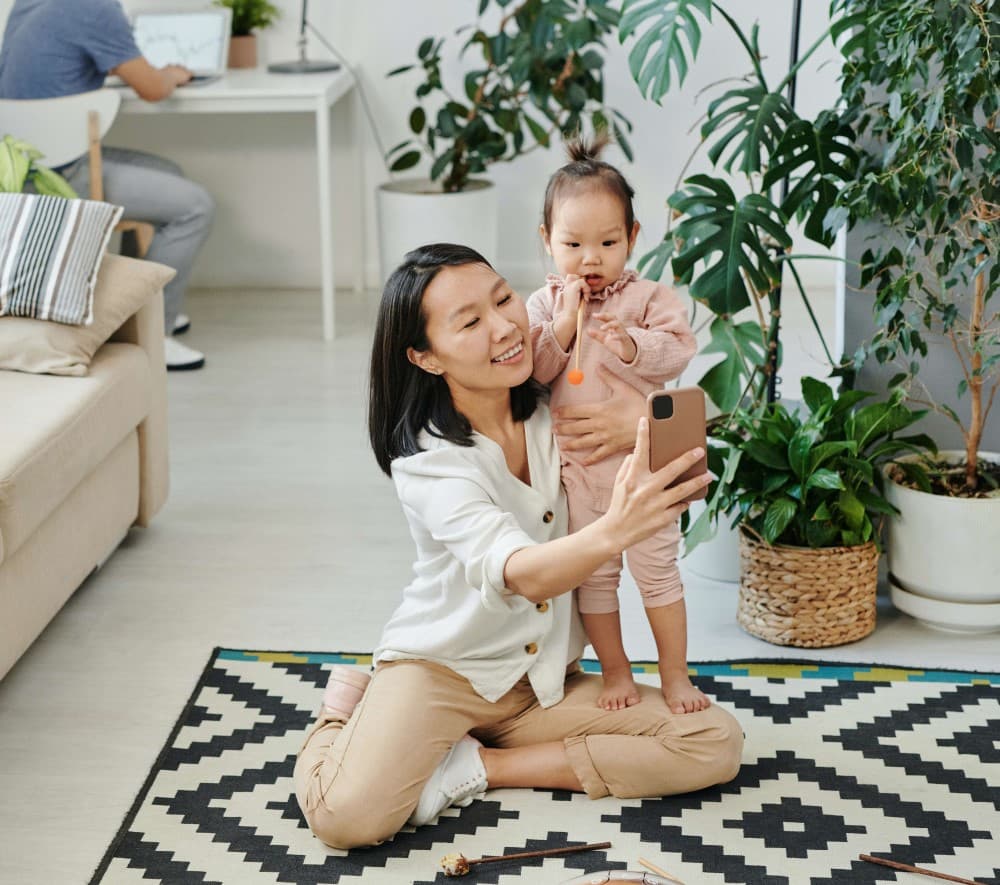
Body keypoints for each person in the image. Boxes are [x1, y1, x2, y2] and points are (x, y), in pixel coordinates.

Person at [293, 243, 743, 850]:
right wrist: (615, 529)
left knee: (712, 743)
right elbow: (521, 573)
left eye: (504, 298)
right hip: (441, 673)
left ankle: (478, 766)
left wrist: (638, 417)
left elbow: (674, 448)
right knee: (344, 819)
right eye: (471, 322)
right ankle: (345, 711)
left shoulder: (557, 409)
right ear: (425, 357)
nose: (506, 327)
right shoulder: (429, 461)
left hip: (541, 685)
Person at [527, 134, 707, 715]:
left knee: (658, 576)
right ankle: (616, 672)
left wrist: (631, 345)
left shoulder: (649, 297)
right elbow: (533, 368)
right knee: (595, 581)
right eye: (572, 243)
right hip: (579, 479)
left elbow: (678, 351)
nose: (590, 259)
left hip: (643, 470)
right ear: (546, 242)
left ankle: (676, 675)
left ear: (631, 238)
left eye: (607, 242)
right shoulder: (543, 305)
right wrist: (561, 327)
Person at [0, 0, 214, 371]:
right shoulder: (95, 6)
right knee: (195, 206)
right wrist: (173, 75)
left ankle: (138, 304)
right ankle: (153, 334)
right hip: (59, 179)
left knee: (171, 173)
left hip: (21, 166)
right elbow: (152, 88)